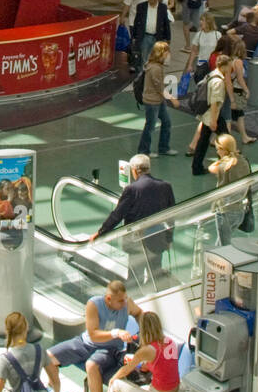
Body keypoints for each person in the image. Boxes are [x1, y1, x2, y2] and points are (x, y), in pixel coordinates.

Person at [45, 279, 143, 392]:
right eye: (120, 301)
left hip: (109, 349)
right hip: (85, 343)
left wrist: (144, 332)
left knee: (91, 365)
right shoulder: (94, 304)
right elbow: (93, 334)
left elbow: (139, 313)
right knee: (49, 357)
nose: (124, 303)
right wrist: (116, 332)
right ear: (108, 299)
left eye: (125, 299)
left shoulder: (127, 303)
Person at [93, 154, 176, 290]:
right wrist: (168, 238)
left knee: (135, 276)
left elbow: (117, 215)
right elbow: (171, 215)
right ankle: (159, 296)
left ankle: (136, 298)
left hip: (136, 240)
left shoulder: (131, 189)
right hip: (157, 238)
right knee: (156, 272)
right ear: (148, 168)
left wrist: (100, 232)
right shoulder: (165, 186)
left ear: (134, 170)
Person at [97, 310, 180, 392]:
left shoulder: (147, 350)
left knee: (117, 383)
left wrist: (112, 379)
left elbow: (125, 370)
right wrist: (142, 363)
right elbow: (160, 365)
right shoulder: (170, 342)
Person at [136, 42, 179, 159]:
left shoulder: (154, 66)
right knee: (150, 126)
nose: (168, 55)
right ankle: (144, 150)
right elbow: (159, 88)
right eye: (167, 52)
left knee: (166, 122)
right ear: (161, 53)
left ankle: (163, 148)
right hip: (152, 102)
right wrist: (172, 99)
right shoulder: (155, 68)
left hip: (158, 101)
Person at [192, 56, 232, 176]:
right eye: (229, 66)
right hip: (213, 115)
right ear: (224, 66)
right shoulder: (218, 81)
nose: (230, 68)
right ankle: (228, 165)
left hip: (208, 114)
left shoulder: (212, 74)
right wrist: (214, 120)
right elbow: (214, 102)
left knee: (203, 141)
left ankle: (197, 167)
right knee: (226, 139)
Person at [208, 134, 252, 241]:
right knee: (223, 241)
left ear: (224, 149)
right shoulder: (242, 160)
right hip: (239, 209)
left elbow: (211, 168)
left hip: (225, 210)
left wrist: (222, 160)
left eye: (218, 149)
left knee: (223, 244)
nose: (217, 152)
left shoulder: (225, 165)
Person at [131, 0, 171, 64]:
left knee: (156, 58)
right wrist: (134, 37)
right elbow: (136, 22)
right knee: (144, 59)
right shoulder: (141, 6)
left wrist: (168, 38)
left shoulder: (162, 8)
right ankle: (144, 71)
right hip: (145, 37)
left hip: (157, 37)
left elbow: (166, 23)